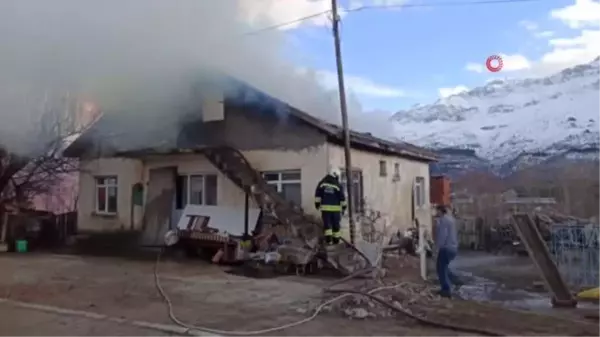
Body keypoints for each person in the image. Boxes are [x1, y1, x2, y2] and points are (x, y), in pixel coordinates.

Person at [314, 169, 347, 244]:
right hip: (336, 211)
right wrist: (344, 207)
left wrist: (317, 205)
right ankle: (336, 242)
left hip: (325, 210)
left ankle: (328, 241)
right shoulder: (337, 185)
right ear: (335, 175)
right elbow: (342, 197)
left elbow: (318, 196)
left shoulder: (322, 183)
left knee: (327, 226)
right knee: (336, 226)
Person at [434, 204, 459, 298]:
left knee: (440, 268)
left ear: (440, 211)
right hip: (453, 247)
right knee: (444, 267)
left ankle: (446, 289)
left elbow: (442, 236)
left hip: (446, 247)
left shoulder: (443, 221)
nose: (435, 213)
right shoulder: (451, 219)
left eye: (436, 211)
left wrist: (437, 248)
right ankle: (455, 281)